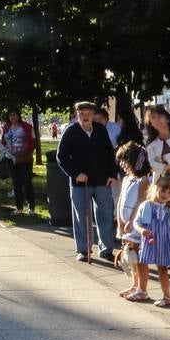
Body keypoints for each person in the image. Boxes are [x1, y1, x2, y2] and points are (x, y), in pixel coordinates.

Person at [56, 101, 118, 263]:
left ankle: (106, 249)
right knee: (82, 216)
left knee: (105, 214)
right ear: (77, 115)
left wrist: (112, 173)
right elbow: (61, 157)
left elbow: (109, 153)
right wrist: (75, 174)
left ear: (93, 115)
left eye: (89, 114)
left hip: (102, 179)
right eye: (82, 114)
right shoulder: (71, 132)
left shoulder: (100, 130)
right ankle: (83, 250)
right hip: (80, 182)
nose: (85, 117)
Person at [131, 175, 170, 310]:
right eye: (163, 190)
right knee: (161, 268)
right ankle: (167, 297)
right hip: (156, 240)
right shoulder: (146, 205)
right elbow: (137, 221)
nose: (166, 194)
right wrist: (141, 230)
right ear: (156, 189)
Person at [114, 141, 151, 300]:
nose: (121, 164)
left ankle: (143, 288)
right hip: (126, 222)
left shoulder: (143, 180)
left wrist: (131, 221)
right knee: (132, 258)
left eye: (124, 160)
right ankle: (135, 285)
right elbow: (120, 200)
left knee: (139, 257)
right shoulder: (126, 179)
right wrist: (120, 222)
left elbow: (141, 201)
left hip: (136, 223)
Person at [2, 110, 36, 214]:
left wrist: (25, 153)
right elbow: (3, 142)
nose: (13, 117)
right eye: (11, 115)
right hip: (10, 159)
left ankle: (31, 207)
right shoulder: (6, 127)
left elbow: (33, 142)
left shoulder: (26, 127)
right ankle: (19, 208)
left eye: (15, 114)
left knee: (27, 182)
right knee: (16, 183)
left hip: (24, 159)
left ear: (19, 116)